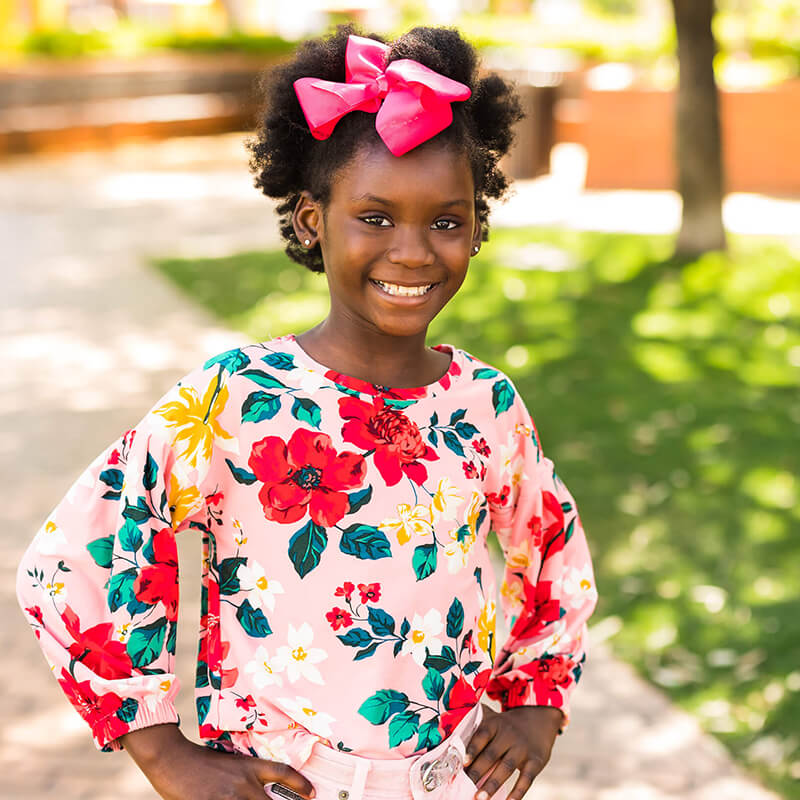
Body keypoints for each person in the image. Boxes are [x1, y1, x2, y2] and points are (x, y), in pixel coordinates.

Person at [16, 24, 598, 800]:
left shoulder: (484, 403)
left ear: (477, 229)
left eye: (446, 221)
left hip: (450, 781)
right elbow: (77, 556)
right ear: (310, 220)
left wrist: (536, 705)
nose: (414, 251)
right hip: (284, 784)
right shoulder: (239, 398)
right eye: (377, 217)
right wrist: (162, 749)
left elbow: (551, 546)